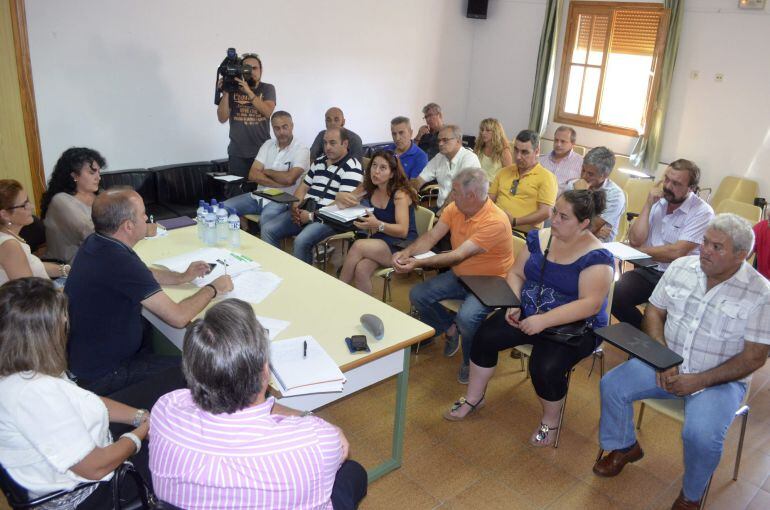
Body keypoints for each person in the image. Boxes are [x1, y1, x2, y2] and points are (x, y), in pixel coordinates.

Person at [594, 214, 770, 510]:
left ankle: (691, 495)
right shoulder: (681, 267)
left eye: (717, 247)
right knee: (612, 385)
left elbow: (754, 356)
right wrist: (662, 358)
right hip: (666, 362)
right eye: (705, 242)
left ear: (742, 255)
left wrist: (699, 380)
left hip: (718, 380)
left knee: (699, 434)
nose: (705, 251)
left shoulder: (761, 293)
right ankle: (626, 447)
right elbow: (654, 312)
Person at [150, 299, 368, 510]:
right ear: (265, 372)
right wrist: (311, 418)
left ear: (193, 370)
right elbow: (332, 449)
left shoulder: (165, 409)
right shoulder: (318, 442)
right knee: (354, 473)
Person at [443, 190, 614, 449]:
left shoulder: (597, 257)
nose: (553, 219)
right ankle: (474, 398)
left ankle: (550, 421)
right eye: (555, 211)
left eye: (563, 216)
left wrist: (543, 321)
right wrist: (513, 303)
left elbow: (590, 305)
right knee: (485, 336)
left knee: (544, 367)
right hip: (530, 311)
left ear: (584, 223)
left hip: (575, 327)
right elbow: (516, 273)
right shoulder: (540, 238)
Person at [0, 277, 156, 508]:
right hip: (89, 494)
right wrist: (142, 432)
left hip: (86, 455)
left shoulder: (24, 365)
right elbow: (95, 467)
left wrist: (140, 416)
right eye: (60, 316)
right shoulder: (34, 393)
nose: (65, 320)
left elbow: (82, 399)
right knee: (181, 460)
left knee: (156, 395)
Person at [65, 188, 233, 396]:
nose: (147, 218)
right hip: (105, 374)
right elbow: (178, 317)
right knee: (201, 369)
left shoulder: (98, 243)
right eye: (143, 214)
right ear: (128, 226)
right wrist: (214, 288)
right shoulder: (119, 260)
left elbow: (142, 274)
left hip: (89, 359)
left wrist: (181, 277)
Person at [395, 168, 514, 383]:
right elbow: (432, 236)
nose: (451, 194)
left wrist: (417, 263)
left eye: (455, 191)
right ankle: (449, 327)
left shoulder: (495, 221)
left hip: (490, 282)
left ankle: (470, 362)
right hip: (461, 275)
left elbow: (457, 255)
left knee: (467, 318)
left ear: (471, 196)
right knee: (418, 294)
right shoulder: (455, 208)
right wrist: (408, 252)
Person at [612, 159, 714, 329]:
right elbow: (636, 239)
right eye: (666, 179)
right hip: (649, 269)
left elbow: (676, 253)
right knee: (615, 294)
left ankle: (651, 342)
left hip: (681, 278)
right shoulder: (659, 200)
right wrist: (648, 204)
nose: (667, 186)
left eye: (676, 183)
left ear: (691, 188)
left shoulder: (702, 212)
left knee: (659, 314)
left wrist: (638, 251)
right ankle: (646, 340)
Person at [260, 127, 364, 264]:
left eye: (332, 143)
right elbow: (302, 188)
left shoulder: (352, 167)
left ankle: (304, 282)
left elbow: (341, 205)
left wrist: (310, 216)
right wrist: (295, 208)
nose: (327, 147)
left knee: (301, 241)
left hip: (329, 220)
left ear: (345, 144)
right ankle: (277, 268)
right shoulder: (319, 161)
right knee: (268, 229)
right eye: (325, 143)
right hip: (306, 211)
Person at [339, 150, 418, 295]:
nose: (376, 171)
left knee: (358, 246)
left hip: (403, 245)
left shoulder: (400, 194)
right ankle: (366, 309)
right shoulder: (369, 188)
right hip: (382, 239)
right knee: (361, 269)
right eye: (374, 165)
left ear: (392, 173)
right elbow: (344, 204)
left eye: (383, 168)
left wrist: (377, 225)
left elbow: (403, 231)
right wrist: (341, 196)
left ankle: (337, 291)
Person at [222, 111, 310, 226]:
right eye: (277, 128)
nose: (281, 132)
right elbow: (253, 174)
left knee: (266, 221)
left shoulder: (301, 149)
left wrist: (266, 171)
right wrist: (279, 183)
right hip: (258, 196)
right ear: (272, 129)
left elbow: (289, 179)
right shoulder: (267, 145)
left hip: (283, 200)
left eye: (285, 127)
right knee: (223, 209)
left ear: (292, 126)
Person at [216, 53, 276, 177]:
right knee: (237, 190)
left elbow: (267, 112)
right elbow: (222, 118)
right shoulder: (233, 89)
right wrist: (227, 91)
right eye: (247, 68)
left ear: (261, 70)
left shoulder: (267, 88)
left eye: (255, 68)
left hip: (262, 151)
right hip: (237, 152)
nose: (251, 71)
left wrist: (248, 91)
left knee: (261, 190)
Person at [40, 148, 104, 263]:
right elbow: (90, 234)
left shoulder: (100, 195)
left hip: (98, 258)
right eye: (92, 172)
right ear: (74, 175)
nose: (98, 177)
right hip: (67, 268)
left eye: (99, 172)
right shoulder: (60, 201)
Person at [1, 180, 68, 284]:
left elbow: (33, 266)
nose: (31, 207)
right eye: (24, 205)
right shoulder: (9, 246)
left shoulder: (9, 236)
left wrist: (65, 270)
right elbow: (29, 294)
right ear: (5, 214)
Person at [489, 129, 557, 231]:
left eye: (525, 152)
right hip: (495, 225)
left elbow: (546, 212)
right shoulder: (503, 172)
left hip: (522, 233)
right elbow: (489, 200)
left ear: (537, 151)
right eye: (516, 150)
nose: (518, 156)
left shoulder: (547, 177)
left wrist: (515, 221)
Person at [411, 125, 481, 214]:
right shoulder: (439, 157)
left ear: (458, 140)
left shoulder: (470, 158)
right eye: (439, 140)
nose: (440, 144)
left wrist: (441, 214)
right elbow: (420, 179)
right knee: (413, 219)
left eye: (445, 140)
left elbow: (458, 191)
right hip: (442, 208)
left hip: (464, 213)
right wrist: (411, 189)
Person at [565, 146, 625, 242]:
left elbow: (592, 227)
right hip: (569, 241)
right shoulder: (573, 184)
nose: (584, 176)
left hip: (598, 247)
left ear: (604, 175)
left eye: (590, 174)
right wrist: (594, 232)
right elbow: (561, 221)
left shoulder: (615, 195)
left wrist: (581, 194)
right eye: (583, 170)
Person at [538, 126, 584, 193]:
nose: (558, 144)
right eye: (556, 140)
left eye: (563, 141)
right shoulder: (540, 160)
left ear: (573, 144)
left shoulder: (581, 164)